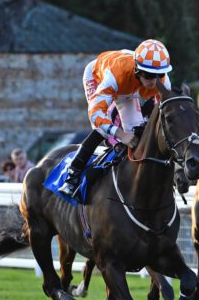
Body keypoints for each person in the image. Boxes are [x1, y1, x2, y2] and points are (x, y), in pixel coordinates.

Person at [57, 39, 173, 197]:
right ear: (138, 70)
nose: (153, 80)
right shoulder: (115, 76)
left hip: (128, 89)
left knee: (137, 134)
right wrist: (120, 134)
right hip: (98, 77)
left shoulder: (164, 83)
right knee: (102, 130)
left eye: (159, 75)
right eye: (149, 75)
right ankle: (72, 176)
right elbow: (95, 114)